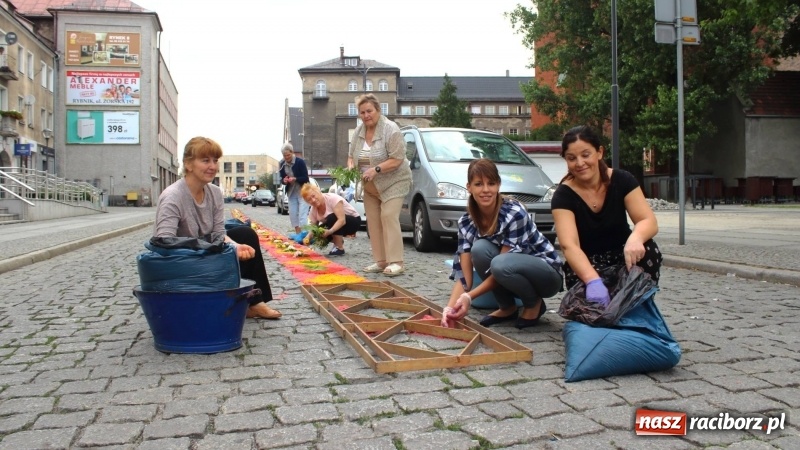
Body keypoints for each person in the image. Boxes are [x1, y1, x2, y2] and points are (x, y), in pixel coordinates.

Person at [153, 136, 281, 319]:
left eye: (215, 160)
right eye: (205, 160)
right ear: (188, 164)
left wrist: (235, 246)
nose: (212, 166)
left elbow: (219, 234)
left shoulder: (214, 193)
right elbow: (164, 243)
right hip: (183, 261)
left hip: (209, 252)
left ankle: (254, 302)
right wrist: (209, 247)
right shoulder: (173, 197)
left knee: (246, 234)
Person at [442, 159, 563, 329]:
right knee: (479, 249)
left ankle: (534, 303)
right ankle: (507, 307)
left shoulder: (514, 213)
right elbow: (464, 275)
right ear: (469, 187)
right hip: (510, 270)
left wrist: (469, 297)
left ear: (498, 185)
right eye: (478, 184)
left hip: (546, 274)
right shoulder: (466, 223)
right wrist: (450, 308)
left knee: (499, 263)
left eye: (491, 183)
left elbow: (502, 266)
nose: (485, 190)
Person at [551, 125, 662, 307]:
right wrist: (592, 281)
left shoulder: (623, 180)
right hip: (587, 264)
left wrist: (636, 238)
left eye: (586, 155)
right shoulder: (563, 196)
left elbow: (648, 220)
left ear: (599, 152)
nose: (579, 163)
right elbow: (569, 245)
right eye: (572, 158)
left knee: (648, 248)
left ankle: (640, 306)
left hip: (624, 256)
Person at [347, 93, 412, 276]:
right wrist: (351, 167)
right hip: (370, 185)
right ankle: (381, 261)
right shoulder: (359, 132)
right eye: (362, 112)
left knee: (389, 216)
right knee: (374, 222)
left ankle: (397, 261)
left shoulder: (391, 129)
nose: (366, 115)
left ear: (378, 110)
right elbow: (351, 156)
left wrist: (375, 169)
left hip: (394, 181)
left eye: (369, 111)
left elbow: (397, 159)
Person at [301, 183, 362, 256]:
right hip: (336, 224)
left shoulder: (332, 198)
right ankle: (338, 240)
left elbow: (342, 220)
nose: (313, 200)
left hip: (352, 222)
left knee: (331, 217)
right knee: (318, 232)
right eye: (309, 200)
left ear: (318, 192)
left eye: (313, 196)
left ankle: (339, 248)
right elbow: (313, 228)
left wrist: (329, 231)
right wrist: (307, 238)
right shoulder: (313, 209)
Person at [278, 142, 310, 235]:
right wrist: (284, 180)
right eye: (284, 156)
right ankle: (298, 233)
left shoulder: (300, 162)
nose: (286, 157)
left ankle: (305, 234)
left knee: (302, 215)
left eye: (288, 155)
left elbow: (305, 178)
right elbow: (282, 179)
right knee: (292, 214)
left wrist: (295, 179)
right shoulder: (282, 164)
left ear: (292, 152)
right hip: (291, 192)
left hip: (302, 191)